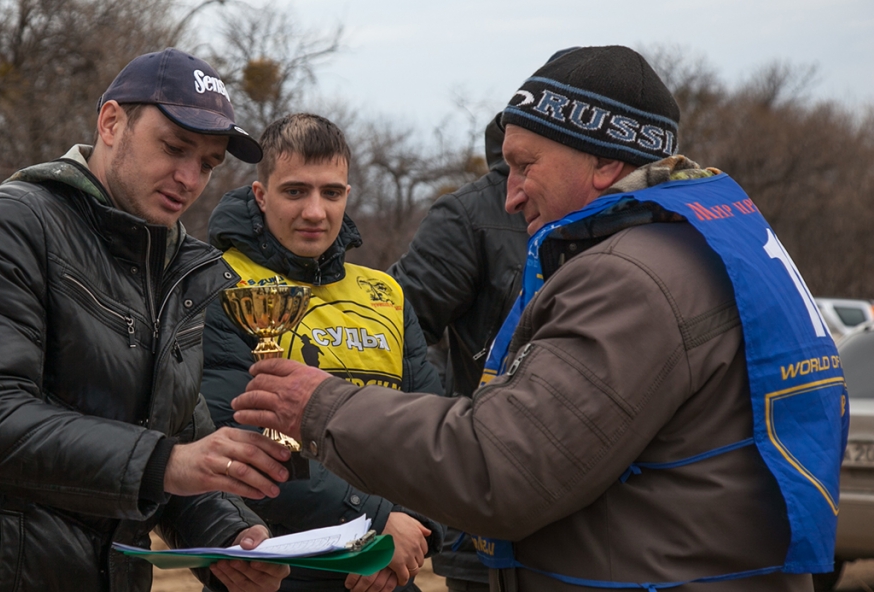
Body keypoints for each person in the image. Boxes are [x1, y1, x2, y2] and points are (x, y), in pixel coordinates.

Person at [230, 46, 848, 592]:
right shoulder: (707, 241)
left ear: (604, 164)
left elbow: (502, 469)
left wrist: (324, 407)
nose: (510, 194)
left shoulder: (632, 278)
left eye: (527, 165)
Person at [0, 49, 293, 592]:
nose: (189, 177)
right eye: (174, 148)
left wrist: (231, 532)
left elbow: (180, 440)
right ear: (111, 123)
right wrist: (166, 462)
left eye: (207, 163)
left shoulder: (175, 269)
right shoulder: (11, 226)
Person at [202, 113, 445, 592]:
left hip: (387, 570)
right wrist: (373, 523)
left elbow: (439, 434)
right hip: (276, 572)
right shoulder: (219, 285)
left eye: (331, 193)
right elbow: (235, 442)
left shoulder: (387, 293)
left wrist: (410, 537)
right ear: (260, 194)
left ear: (348, 197)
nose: (315, 211)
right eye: (295, 191)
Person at [388, 114, 526, 592]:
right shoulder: (471, 215)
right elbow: (396, 329)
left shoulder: (631, 214)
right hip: (487, 518)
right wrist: (449, 421)